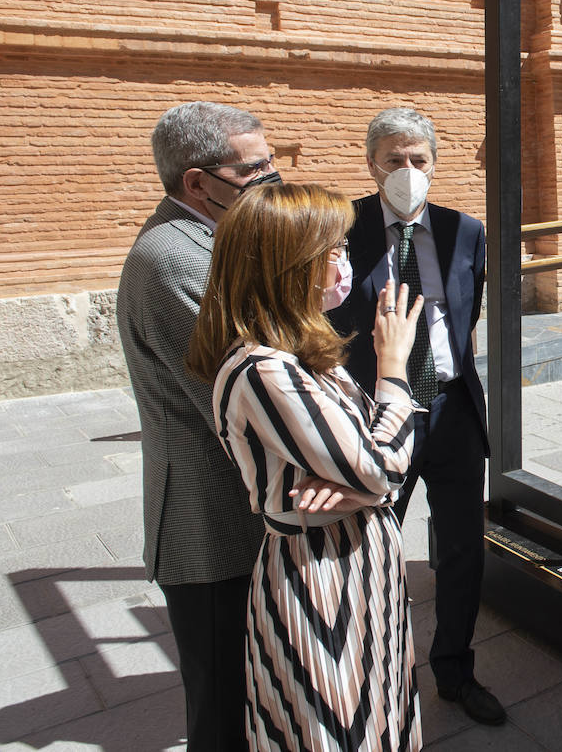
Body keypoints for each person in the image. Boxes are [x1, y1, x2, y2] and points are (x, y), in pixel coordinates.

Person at [188, 183, 424, 751]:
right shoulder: (264, 369)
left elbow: (365, 465)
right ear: (291, 264)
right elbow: (382, 468)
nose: (344, 260)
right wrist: (393, 370)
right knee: (335, 725)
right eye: (333, 248)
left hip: (361, 562)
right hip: (323, 576)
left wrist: (361, 484)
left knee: (379, 714)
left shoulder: (300, 355)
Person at [326, 108, 503, 726]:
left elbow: (466, 312)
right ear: (372, 163)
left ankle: (454, 671)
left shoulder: (466, 231)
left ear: (434, 162)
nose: (407, 171)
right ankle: (372, 675)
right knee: (372, 552)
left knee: (462, 550)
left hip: (452, 412)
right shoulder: (338, 231)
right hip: (376, 417)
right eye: (394, 160)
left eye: (418, 159)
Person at [117, 101, 277, 751]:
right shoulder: (174, 257)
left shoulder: (209, 238)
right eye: (255, 168)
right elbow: (248, 397)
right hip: (211, 529)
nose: (271, 178)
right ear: (196, 182)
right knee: (221, 709)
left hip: (236, 517)